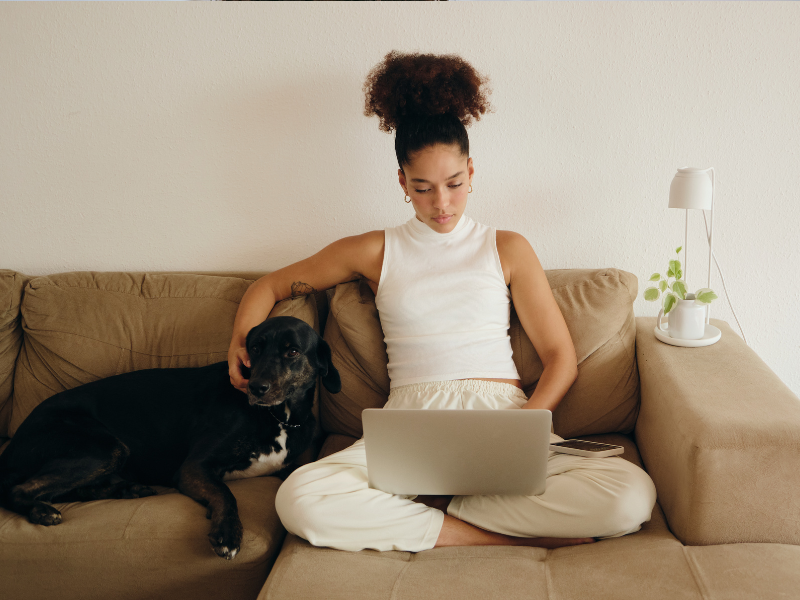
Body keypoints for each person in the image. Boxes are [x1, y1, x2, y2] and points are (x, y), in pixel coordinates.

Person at [228, 51, 657, 553]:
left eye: (454, 184)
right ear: (402, 183)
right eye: (423, 188)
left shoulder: (507, 247)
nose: (442, 204)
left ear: (472, 170)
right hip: (412, 418)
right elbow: (270, 287)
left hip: (503, 412)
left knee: (631, 496)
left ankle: (431, 511)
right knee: (300, 498)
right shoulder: (374, 250)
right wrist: (240, 341)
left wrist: (526, 426)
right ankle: (496, 538)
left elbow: (561, 359)